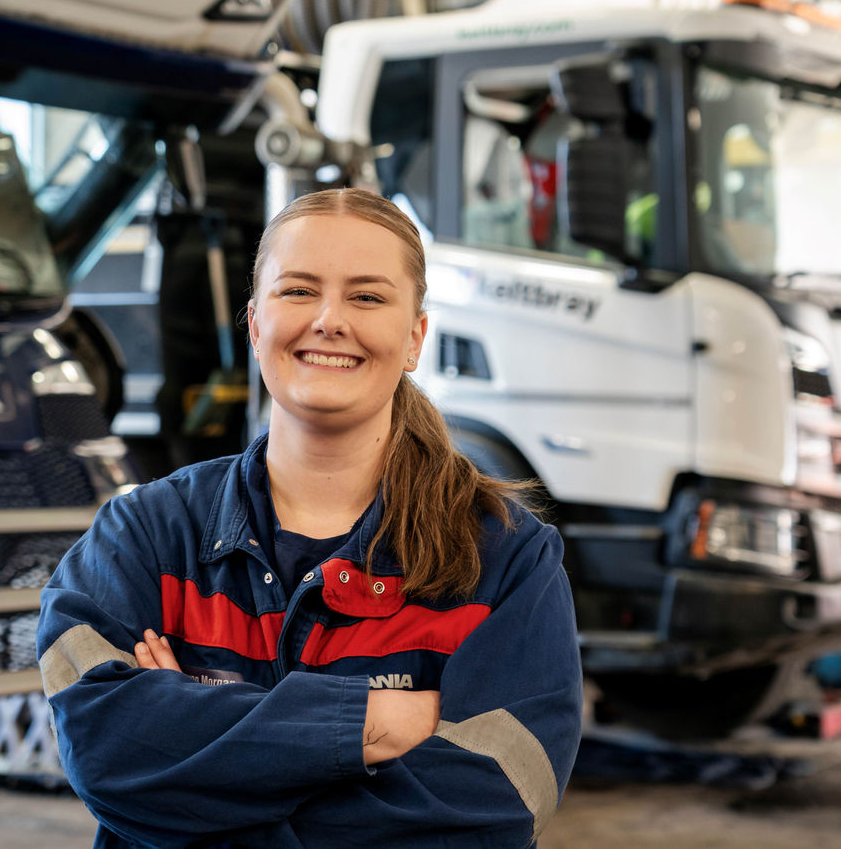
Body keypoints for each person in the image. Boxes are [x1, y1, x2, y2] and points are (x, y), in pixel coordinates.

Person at [36, 187, 584, 848]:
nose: (329, 319)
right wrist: (377, 722)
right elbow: (106, 751)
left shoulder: (505, 560)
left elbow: (491, 804)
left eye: (367, 296)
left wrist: (197, 743)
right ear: (256, 324)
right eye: (298, 290)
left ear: (415, 338)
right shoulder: (144, 538)